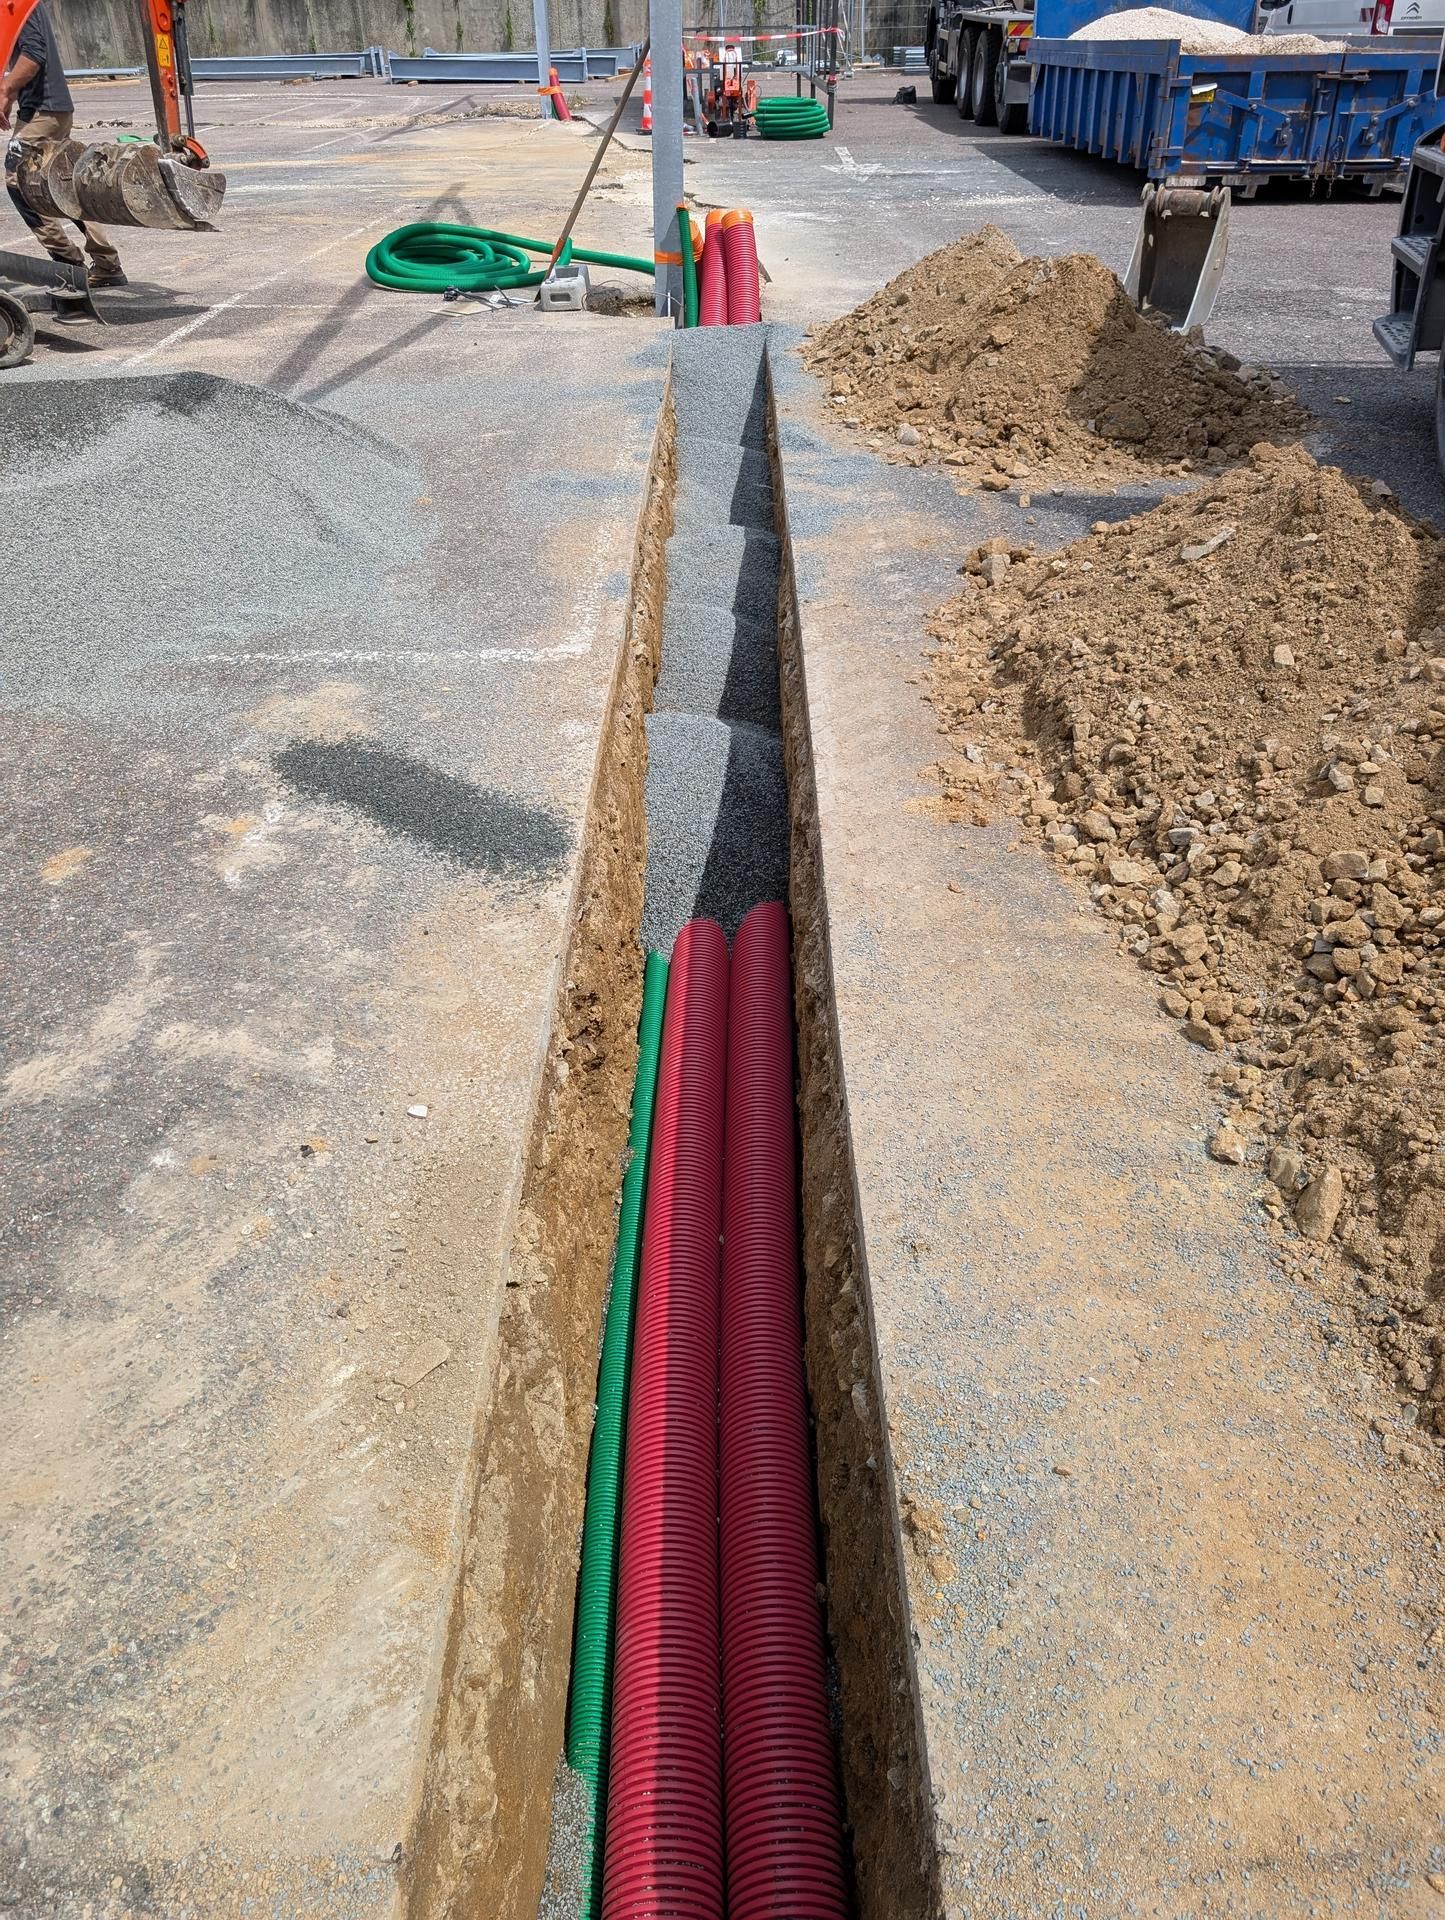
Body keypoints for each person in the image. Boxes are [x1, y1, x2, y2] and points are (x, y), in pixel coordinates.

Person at [1, 1, 126, 286]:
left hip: (43, 111)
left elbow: (34, 55)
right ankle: (107, 263)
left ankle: (68, 262)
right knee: (64, 185)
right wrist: (10, 94)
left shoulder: (21, 4)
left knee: (17, 182)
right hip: (49, 109)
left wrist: (6, 88)